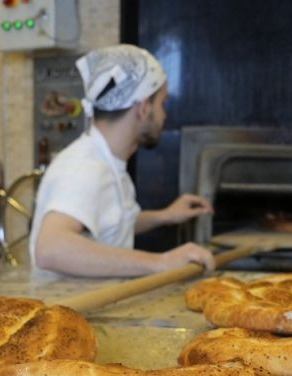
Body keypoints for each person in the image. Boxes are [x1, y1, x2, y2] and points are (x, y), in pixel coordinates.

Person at [28, 44, 216, 277]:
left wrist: (164, 216)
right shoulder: (85, 168)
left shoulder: (108, 162)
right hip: (66, 309)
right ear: (143, 107)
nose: (164, 115)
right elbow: (51, 249)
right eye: (162, 104)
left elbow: (108, 225)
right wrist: (161, 262)